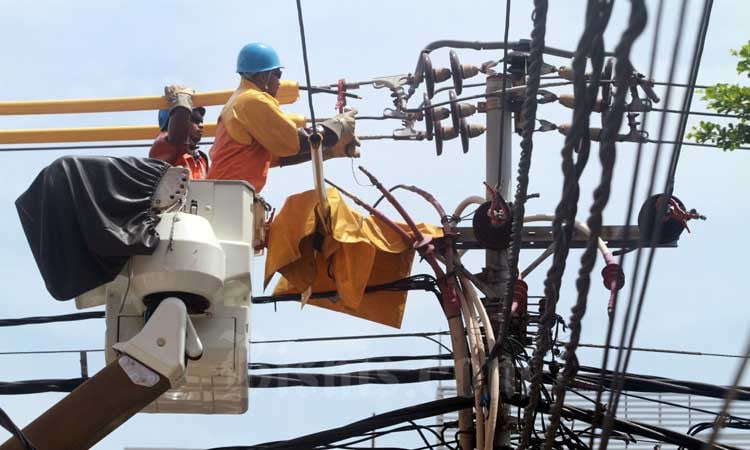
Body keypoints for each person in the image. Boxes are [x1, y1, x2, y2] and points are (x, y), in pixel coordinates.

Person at [206, 42, 360, 193]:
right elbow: (295, 141)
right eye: (277, 74)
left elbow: (280, 156)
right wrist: (337, 125)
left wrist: (330, 150)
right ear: (263, 76)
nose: (280, 81)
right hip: (228, 195)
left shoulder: (240, 101)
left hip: (226, 194)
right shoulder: (252, 101)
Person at [149, 85, 209, 180]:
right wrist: (182, 99)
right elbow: (177, 133)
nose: (201, 125)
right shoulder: (165, 143)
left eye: (201, 120)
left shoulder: (201, 158)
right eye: (195, 120)